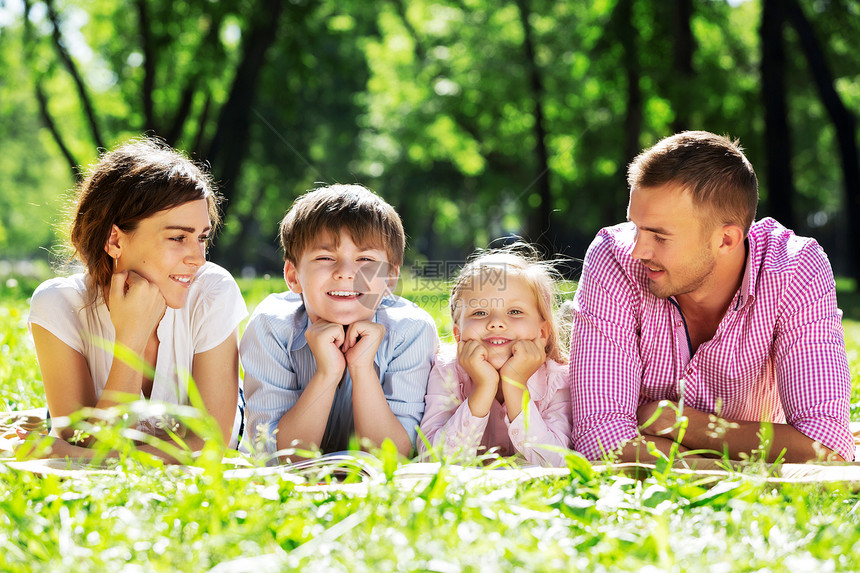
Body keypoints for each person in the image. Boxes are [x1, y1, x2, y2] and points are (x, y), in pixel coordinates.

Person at [569, 130, 854, 463]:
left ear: (726, 240)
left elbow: (827, 446)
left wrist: (676, 422)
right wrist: (738, 459)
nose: (637, 250)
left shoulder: (794, 269)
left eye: (660, 237)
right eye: (635, 226)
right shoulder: (612, 258)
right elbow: (600, 439)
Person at [27, 138, 247, 461]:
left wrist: (79, 455)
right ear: (115, 239)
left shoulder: (212, 293)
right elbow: (84, 440)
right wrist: (131, 337)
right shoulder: (58, 304)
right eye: (178, 237)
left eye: (202, 238)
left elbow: (210, 444)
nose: (198, 259)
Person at [240, 184, 438, 463]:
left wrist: (361, 369)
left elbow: (390, 459)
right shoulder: (271, 326)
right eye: (325, 258)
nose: (345, 273)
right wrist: (327, 374)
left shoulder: (411, 331)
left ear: (391, 278)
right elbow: (277, 460)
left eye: (365, 259)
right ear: (293, 275)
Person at [418, 246, 571, 467]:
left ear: (543, 332)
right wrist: (483, 387)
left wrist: (515, 384)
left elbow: (555, 464)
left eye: (515, 312)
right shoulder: (446, 371)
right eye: (479, 313)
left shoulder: (556, 379)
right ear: (458, 334)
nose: (496, 322)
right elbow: (433, 460)